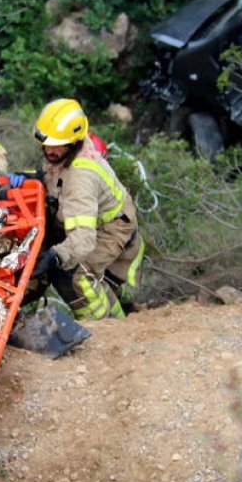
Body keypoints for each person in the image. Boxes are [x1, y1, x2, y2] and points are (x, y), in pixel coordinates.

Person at [29, 98, 144, 320]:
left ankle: (106, 326)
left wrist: (55, 256)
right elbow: (55, 179)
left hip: (109, 228)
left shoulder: (81, 178)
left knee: (76, 273)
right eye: (46, 142)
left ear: (73, 142)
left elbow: (83, 240)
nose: (49, 150)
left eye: (57, 144)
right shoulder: (66, 151)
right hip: (88, 218)